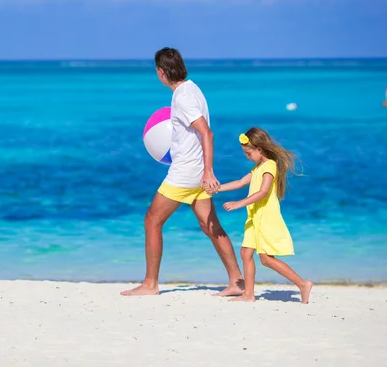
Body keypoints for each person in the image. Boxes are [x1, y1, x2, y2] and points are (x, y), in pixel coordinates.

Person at [121, 47, 244, 297]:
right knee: (210, 226)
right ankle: (237, 282)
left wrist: (209, 172)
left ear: (161, 72)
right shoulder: (193, 89)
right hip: (196, 172)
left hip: (186, 173)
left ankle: (150, 284)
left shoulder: (182, 97)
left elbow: (206, 132)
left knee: (152, 221)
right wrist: (205, 171)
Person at [216, 127, 313, 303]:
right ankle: (249, 295)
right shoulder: (257, 168)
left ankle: (303, 284)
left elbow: (263, 191)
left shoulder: (269, 166)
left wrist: (239, 203)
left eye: (248, 153)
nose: (246, 156)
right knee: (246, 253)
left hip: (266, 217)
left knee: (266, 259)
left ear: (259, 149)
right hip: (254, 217)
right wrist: (218, 188)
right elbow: (240, 182)